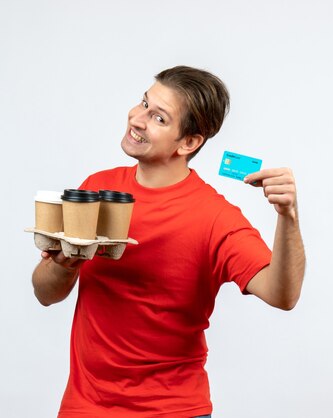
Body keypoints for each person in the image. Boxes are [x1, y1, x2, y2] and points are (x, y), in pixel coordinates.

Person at [31, 65, 306, 417]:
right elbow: (45, 293)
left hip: (173, 410)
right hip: (84, 407)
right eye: (143, 103)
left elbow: (283, 295)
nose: (137, 119)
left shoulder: (215, 218)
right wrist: (65, 264)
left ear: (189, 142)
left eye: (159, 118)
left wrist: (288, 218)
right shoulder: (96, 189)